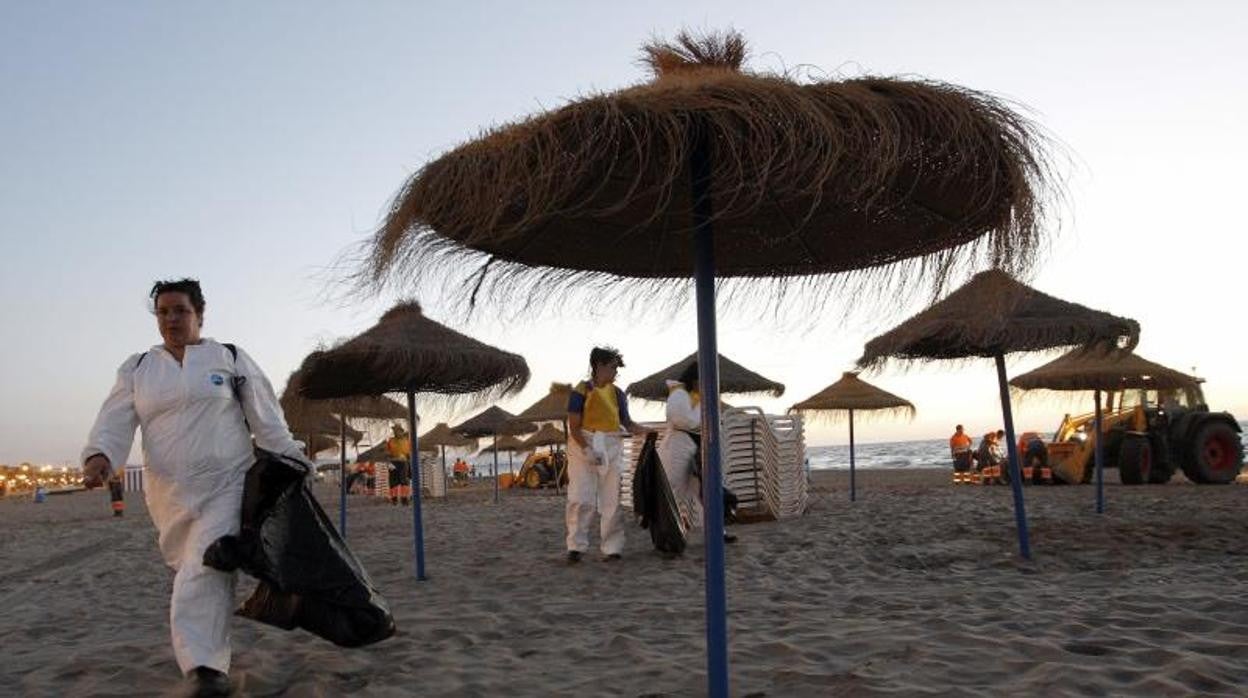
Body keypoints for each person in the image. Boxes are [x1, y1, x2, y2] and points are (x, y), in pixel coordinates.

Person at [81, 279, 311, 696]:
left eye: (180, 311)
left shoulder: (229, 358)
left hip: (228, 482)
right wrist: (100, 455)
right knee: (195, 565)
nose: (171, 319)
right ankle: (206, 662)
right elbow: (114, 420)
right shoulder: (138, 369)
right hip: (167, 493)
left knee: (204, 564)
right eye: (163, 312)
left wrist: (293, 457)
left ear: (199, 314)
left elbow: (267, 418)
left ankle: (204, 669)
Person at [564, 346, 649, 563]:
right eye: (613, 367)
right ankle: (576, 546)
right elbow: (573, 427)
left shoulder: (618, 394)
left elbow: (627, 424)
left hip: (611, 444)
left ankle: (612, 548)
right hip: (583, 443)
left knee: (611, 498)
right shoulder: (581, 391)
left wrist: (649, 432)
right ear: (598, 366)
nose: (616, 372)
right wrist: (586, 449)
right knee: (581, 497)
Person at [657, 361, 736, 544]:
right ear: (695, 378)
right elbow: (681, 419)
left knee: (706, 489)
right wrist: (704, 421)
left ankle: (716, 532)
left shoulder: (701, 396)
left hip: (699, 447)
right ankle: (668, 532)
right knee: (675, 489)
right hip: (680, 445)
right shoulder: (679, 394)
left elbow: (712, 422)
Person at [385, 424, 412, 505]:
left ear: (401, 431)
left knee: (404, 481)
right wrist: (389, 462)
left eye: (397, 430)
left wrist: (408, 461)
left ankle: (404, 499)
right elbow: (387, 453)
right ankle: (394, 499)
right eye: (394, 430)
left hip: (404, 463)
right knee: (393, 482)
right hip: (393, 462)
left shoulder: (406, 441)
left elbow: (409, 453)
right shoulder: (390, 441)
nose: (396, 432)